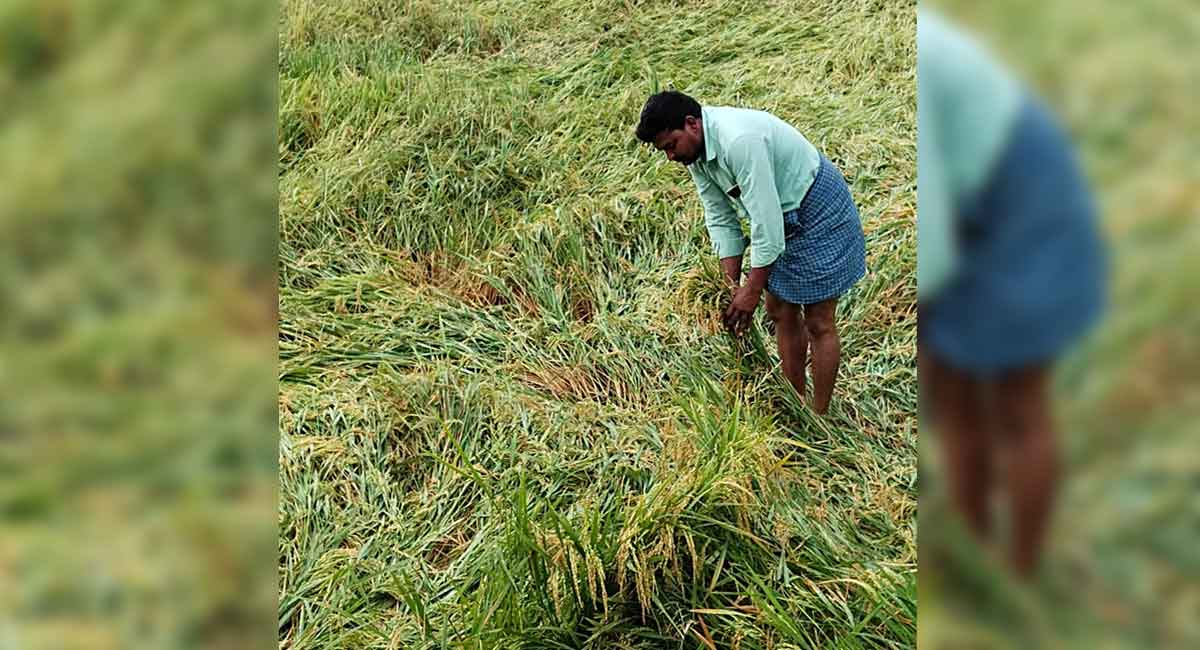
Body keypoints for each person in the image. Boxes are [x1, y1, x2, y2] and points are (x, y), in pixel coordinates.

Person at [918, 8, 1107, 576]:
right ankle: (975, 557)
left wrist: (923, 322)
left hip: (1023, 201)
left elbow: (928, 246)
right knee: (950, 390)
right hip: (965, 203)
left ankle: (1020, 573)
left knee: (1017, 400)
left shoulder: (919, 53)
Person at [636, 91, 866, 415]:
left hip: (816, 207)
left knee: (819, 320)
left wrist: (752, 289)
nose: (670, 157)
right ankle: (795, 406)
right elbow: (720, 218)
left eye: (671, 146)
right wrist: (730, 289)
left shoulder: (738, 141)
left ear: (691, 124)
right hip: (779, 213)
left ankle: (820, 416)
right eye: (664, 151)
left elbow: (766, 224)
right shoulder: (696, 153)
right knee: (780, 311)